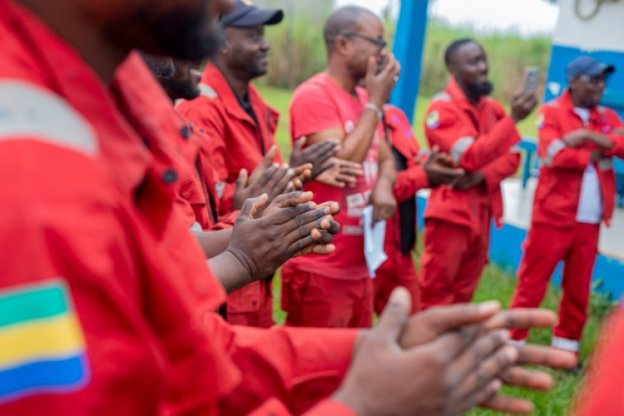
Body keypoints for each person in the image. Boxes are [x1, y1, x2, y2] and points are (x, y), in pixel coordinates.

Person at [0, 0, 577, 414]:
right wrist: (360, 403)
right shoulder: (30, 178)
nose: (227, 10)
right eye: (374, 42)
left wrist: (373, 353)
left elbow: (185, 354)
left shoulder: (98, 112)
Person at [177, 0, 340, 327]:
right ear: (221, 42)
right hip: (223, 277)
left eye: (263, 35)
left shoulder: (256, 105)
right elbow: (199, 205)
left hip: (249, 273)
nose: (265, 44)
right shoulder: (200, 108)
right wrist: (248, 201)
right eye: (253, 35)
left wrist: (292, 174)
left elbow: (262, 183)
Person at [282, 6, 399, 328]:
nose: (383, 53)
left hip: (359, 263)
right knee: (317, 359)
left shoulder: (363, 98)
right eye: (377, 42)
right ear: (343, 44)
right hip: (322, 265)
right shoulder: (314, 94)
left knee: (355, 356)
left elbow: (386, 158)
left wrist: (384, 186)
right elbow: (346, 161)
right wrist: (376, 102)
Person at [509, 56, 624, 355]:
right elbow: (554, 155)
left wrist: (585, 136)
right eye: (593, 79)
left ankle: (565, 350)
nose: (600, 86)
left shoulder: (607, 116)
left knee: (578, 289)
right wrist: (599, 148)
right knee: (532, 284)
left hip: (590, 220)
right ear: (573, 81)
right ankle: (512, 345)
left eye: (603, 80)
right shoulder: (552, 112)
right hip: (553, 217)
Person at [419, 38, 537, 308]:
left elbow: (513, 158)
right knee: (436, 292)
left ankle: (455, 336)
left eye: (483, 59)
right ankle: (427, 336)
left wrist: (481, 176)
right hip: (451, 214)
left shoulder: (492, 108)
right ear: (453, 68)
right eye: (473, 62)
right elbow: (470, 157)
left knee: (465, 292)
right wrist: (513, 119)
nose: (483, 67)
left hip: (482, 212)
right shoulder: (440, 110)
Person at [374, 104, 464, 314]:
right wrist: (424, 175)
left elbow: (415, 159)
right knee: (353, 330)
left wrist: (435, 166)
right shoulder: (354, 119)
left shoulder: (395, 115)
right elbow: (374, 189)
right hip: (368, 251)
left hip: (400, 249)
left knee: (413, 324)